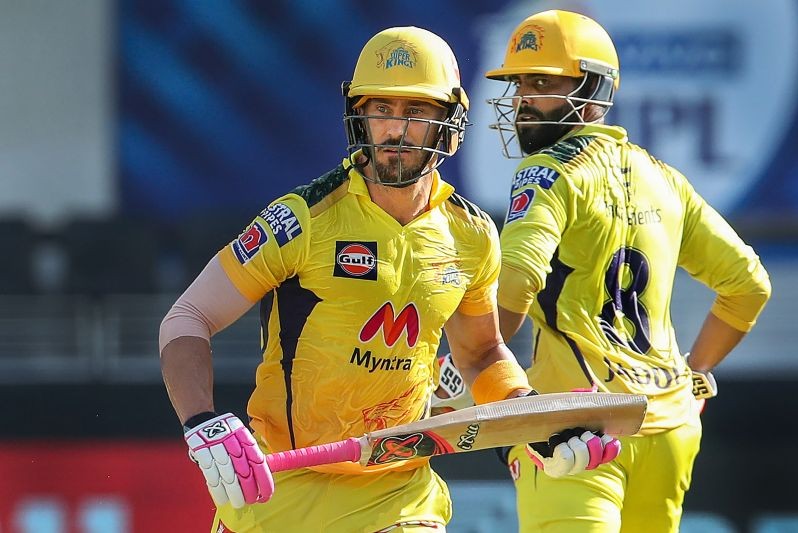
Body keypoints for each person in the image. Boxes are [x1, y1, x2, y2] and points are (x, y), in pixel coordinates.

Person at [159, 25, 619, 533]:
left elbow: (482, 354)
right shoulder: (303, 219)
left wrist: (537, 424)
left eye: (416, 113)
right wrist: (201, 422)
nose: (394, 130)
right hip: (278, 493)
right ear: (359, 115)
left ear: (450, 122)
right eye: (381, 109)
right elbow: (189, 316)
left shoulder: (472, 235)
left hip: (399, 496)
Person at [480, 9, 772, 532]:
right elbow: (748, 285)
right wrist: (695, 376)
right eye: (520, 83)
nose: (523, 100)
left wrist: (478, 360)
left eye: (542, 83)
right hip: (670, 427)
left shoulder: (545, 172)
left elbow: (518, 281)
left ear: (593, 90)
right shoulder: (664, 177)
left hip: (574, 430)